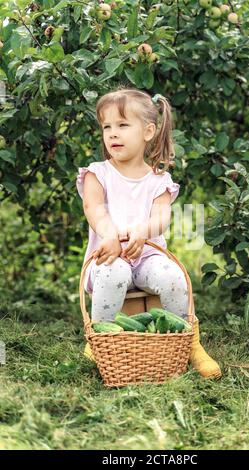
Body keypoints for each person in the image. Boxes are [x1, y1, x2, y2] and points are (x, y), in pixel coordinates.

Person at [76, 86, 221, 379]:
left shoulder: (159, 180)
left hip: (147, 256)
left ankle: (189, 340)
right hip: (109, 254)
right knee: (110, 272)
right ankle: (99, 338)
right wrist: (110, 236)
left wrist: (144, 230)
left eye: (122, 125)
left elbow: (162, 217)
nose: (112, 134)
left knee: (174, 277)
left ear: (148, 131)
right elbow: (94, 208)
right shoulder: (97, 172)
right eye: (107, 127)